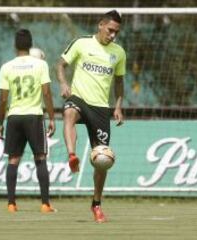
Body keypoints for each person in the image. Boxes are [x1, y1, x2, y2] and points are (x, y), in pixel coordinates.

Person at [56, 10, 125, 223]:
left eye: (116, 32)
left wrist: (119, 106)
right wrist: (64, 83)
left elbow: (120, 82)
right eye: (110, 30)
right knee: (68, 113)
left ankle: (96, 204)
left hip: (101, 108)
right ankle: (71, 155)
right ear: (100, 25)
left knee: (102, 161)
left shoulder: (119, 53)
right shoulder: (82, 43)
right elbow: (60, 64)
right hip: (79, 98)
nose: (113, 35)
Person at [0, 29, 56, 213]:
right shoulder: (40, 65)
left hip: (14, 117)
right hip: (34, 116)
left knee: (13, 160)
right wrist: (52, 117)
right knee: (40, 157)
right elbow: (46, 92)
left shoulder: (7, 67)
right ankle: (45, 204)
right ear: (31, 45)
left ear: (15, 46)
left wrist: (0, 122)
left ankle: (11, 204)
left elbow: (3, 99)